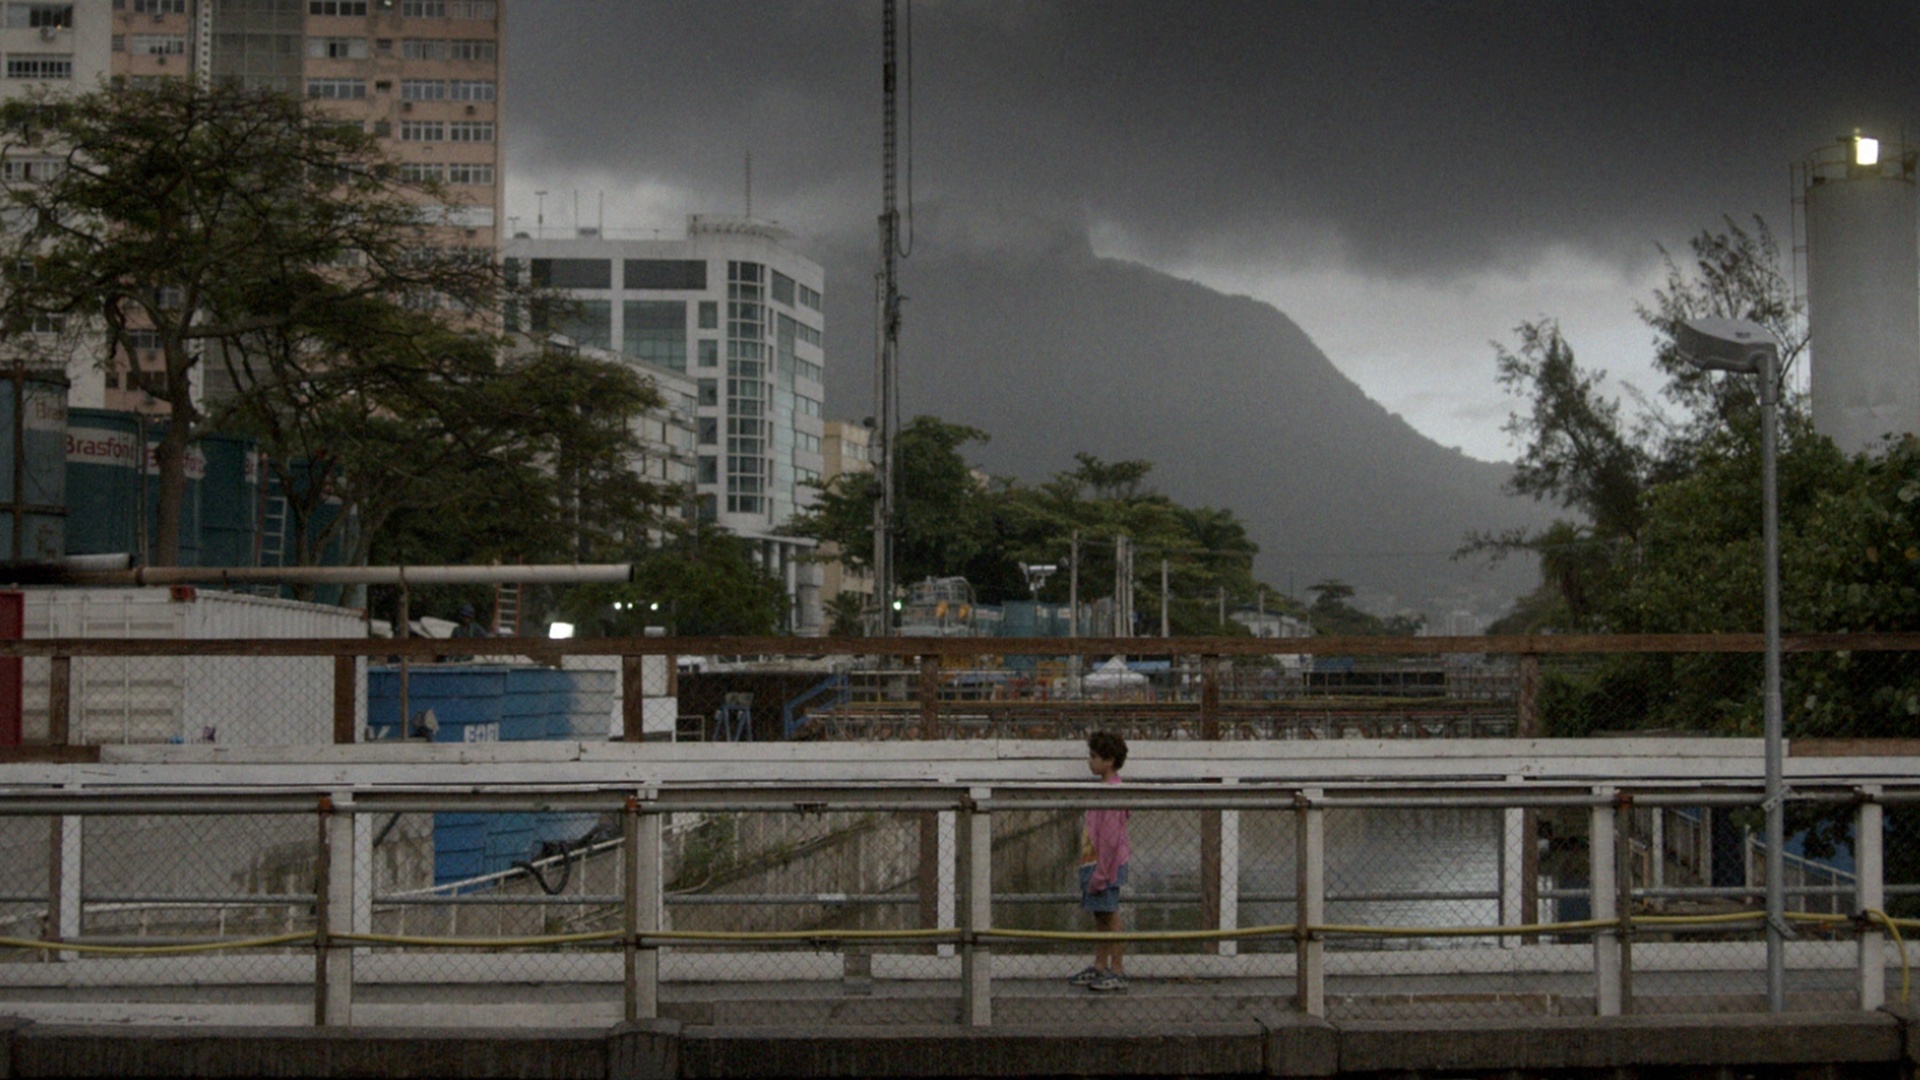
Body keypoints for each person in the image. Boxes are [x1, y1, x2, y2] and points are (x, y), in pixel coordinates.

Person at [1069, 730, 1131, 993]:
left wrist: (1102, 874)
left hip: (1105, 865)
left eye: (1094, 757)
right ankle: (1100, 965)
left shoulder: (1111, 794)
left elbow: (1110, 840)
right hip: (1096, 862)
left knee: (1110, 914)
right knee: (1102, 915)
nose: (1089, 762)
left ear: (1108, 760)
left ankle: (1116, 969)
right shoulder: (1104, 790)